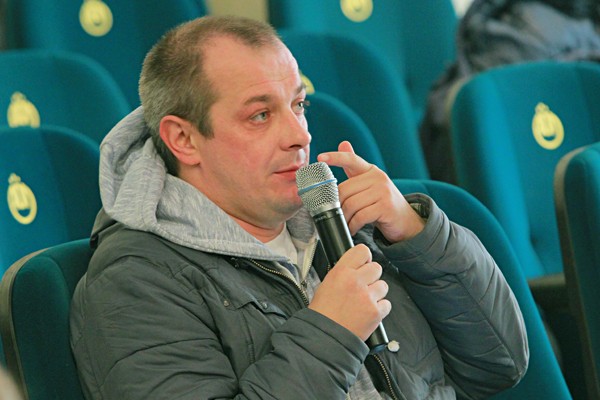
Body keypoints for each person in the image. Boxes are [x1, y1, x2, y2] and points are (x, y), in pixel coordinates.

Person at [70, 15, 528, 400]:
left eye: (299, 105)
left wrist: (418, 237)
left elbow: (499, 364)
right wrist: (331, 332)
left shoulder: (346, 221)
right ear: (184, 139)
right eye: (260, 115)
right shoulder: (134, 280)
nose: (300, 134)